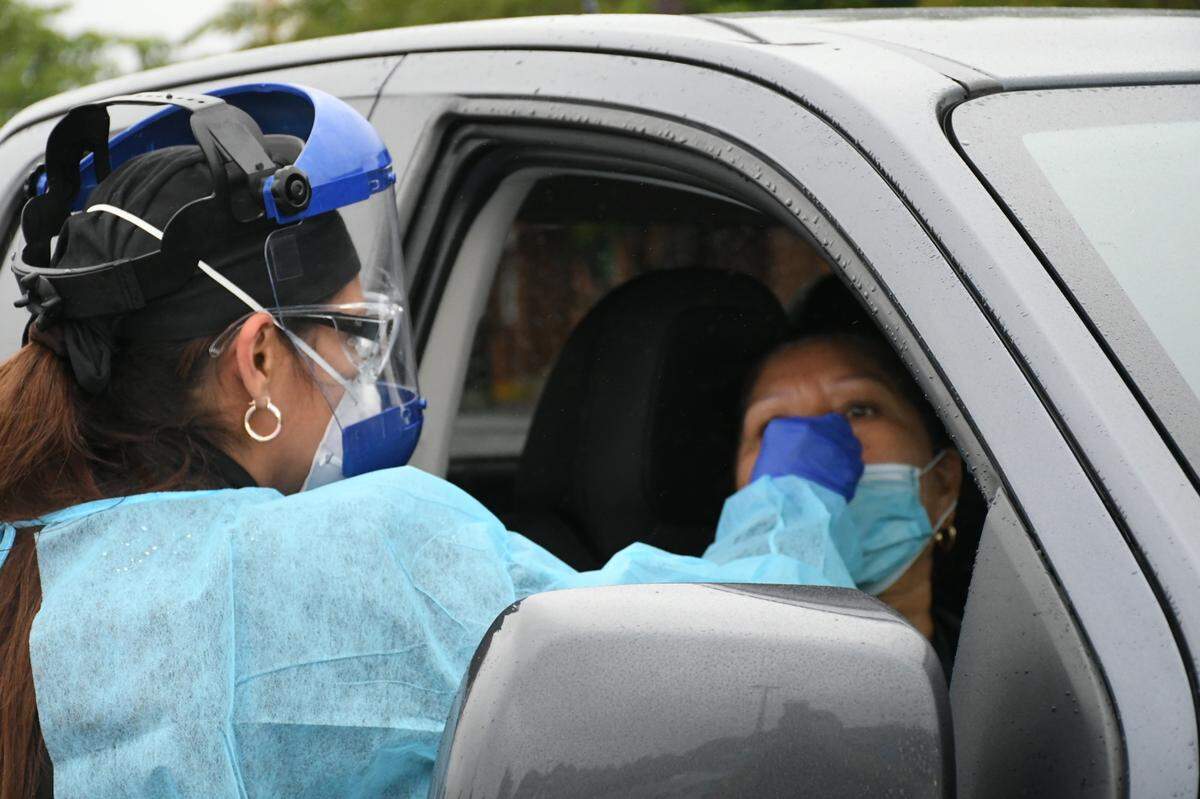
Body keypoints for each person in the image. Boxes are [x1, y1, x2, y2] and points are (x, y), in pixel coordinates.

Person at [0, 85, 881, 799]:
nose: (361, 368)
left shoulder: (25, 557)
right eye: (352, 332)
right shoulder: (362, 556)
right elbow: (737, 655)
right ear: (259, 359)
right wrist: (795, 493)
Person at [735, 276, 965, 644]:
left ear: (944, 482)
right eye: (775, 427)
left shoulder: (1022, 664)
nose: (811, 448)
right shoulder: (667, 640)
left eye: (858, 410)